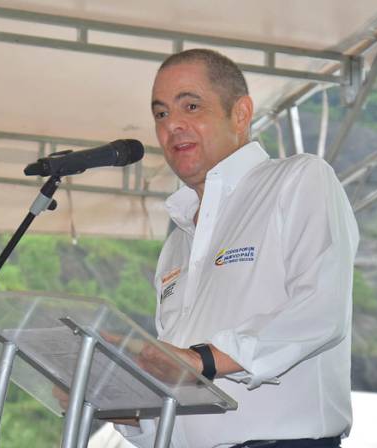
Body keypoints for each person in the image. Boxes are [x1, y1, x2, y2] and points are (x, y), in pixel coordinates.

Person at [114, 49, 359, 448]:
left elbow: (320, 309)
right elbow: (183, 391)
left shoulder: (297, 180)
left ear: (241, 114)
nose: (172, 125)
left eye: (191, 106)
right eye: (160, 114)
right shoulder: (177, 240)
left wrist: (206, 359)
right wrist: (123, 409)